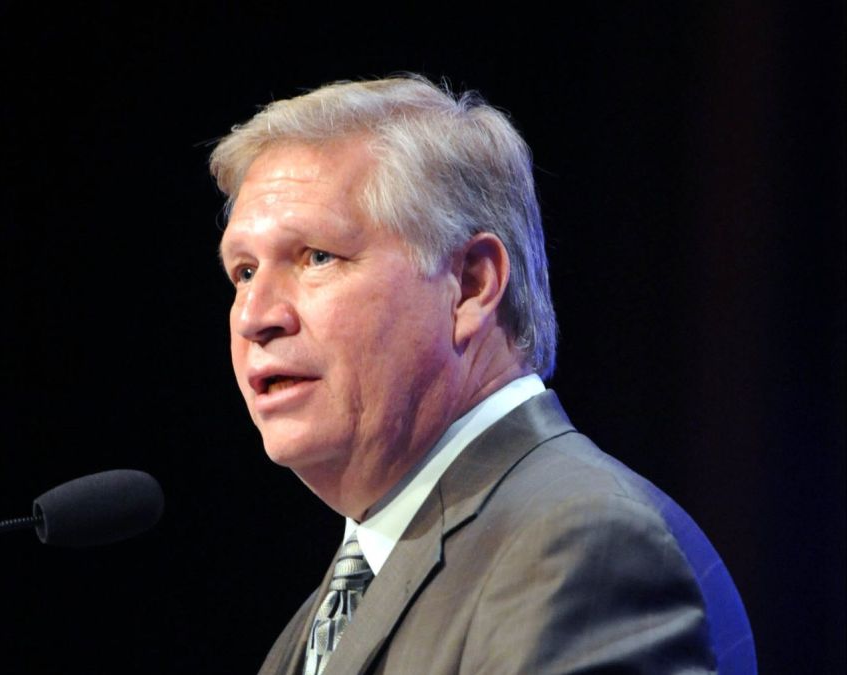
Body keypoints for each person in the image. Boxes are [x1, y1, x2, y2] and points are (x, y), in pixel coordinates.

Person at [210, 75, 755, 675]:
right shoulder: (320, 618)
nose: (256, 317)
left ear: (470, 285)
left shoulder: (581, 546)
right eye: (243, 272)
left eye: (317, 257)